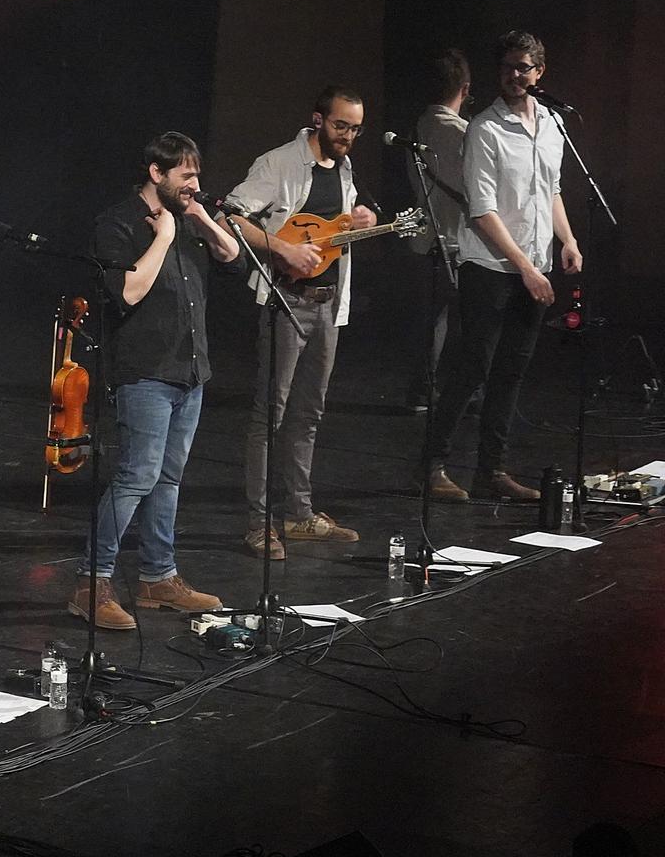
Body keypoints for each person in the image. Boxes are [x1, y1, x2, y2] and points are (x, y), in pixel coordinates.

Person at [69, 133, 240, 629]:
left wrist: (199, 218)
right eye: (186, 175)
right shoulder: (117, 224)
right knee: (136, 477)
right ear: (156, 172)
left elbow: (230, 255)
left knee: (169, 478)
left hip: (189, 369)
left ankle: (157, 577)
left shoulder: (189, 220)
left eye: (197, 175)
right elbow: (126, 293)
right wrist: (163, 236)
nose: (195, 184)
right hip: (144, 371)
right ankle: (91, 581)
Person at [421, 31, 582, 502]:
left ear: (540, 72)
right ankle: (432, 466)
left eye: (525, 68)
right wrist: (526, 269)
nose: (516, 76)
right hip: (490, 267)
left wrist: (567, 239)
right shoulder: (485, 130)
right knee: (473, 368)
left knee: (512, 371)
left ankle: (492, 470)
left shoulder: (552, 125)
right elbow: (481, 210)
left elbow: (550, 190)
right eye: (508, 67)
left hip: (535, 265)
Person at [223, 87, 377, 559]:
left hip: (329, 304)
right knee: (271, 413)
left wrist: (362, 219)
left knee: (309, 413)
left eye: (355, 128)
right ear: (317, 120)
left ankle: (299, 513)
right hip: (287, 302)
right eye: (340, 126)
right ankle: (259, 524)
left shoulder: (346, 169)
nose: (347, 136)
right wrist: (282, 247)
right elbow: (230, 215)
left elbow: (334, 230)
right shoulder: (278, 164)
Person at [403, 49, 473, 410]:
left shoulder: (416, 128)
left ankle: (422, 389)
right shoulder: (465, 134)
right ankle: (464, 392)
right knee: (466, 322)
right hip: (457, 241)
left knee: (431, 322)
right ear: (465, 87)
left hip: (422, 239)